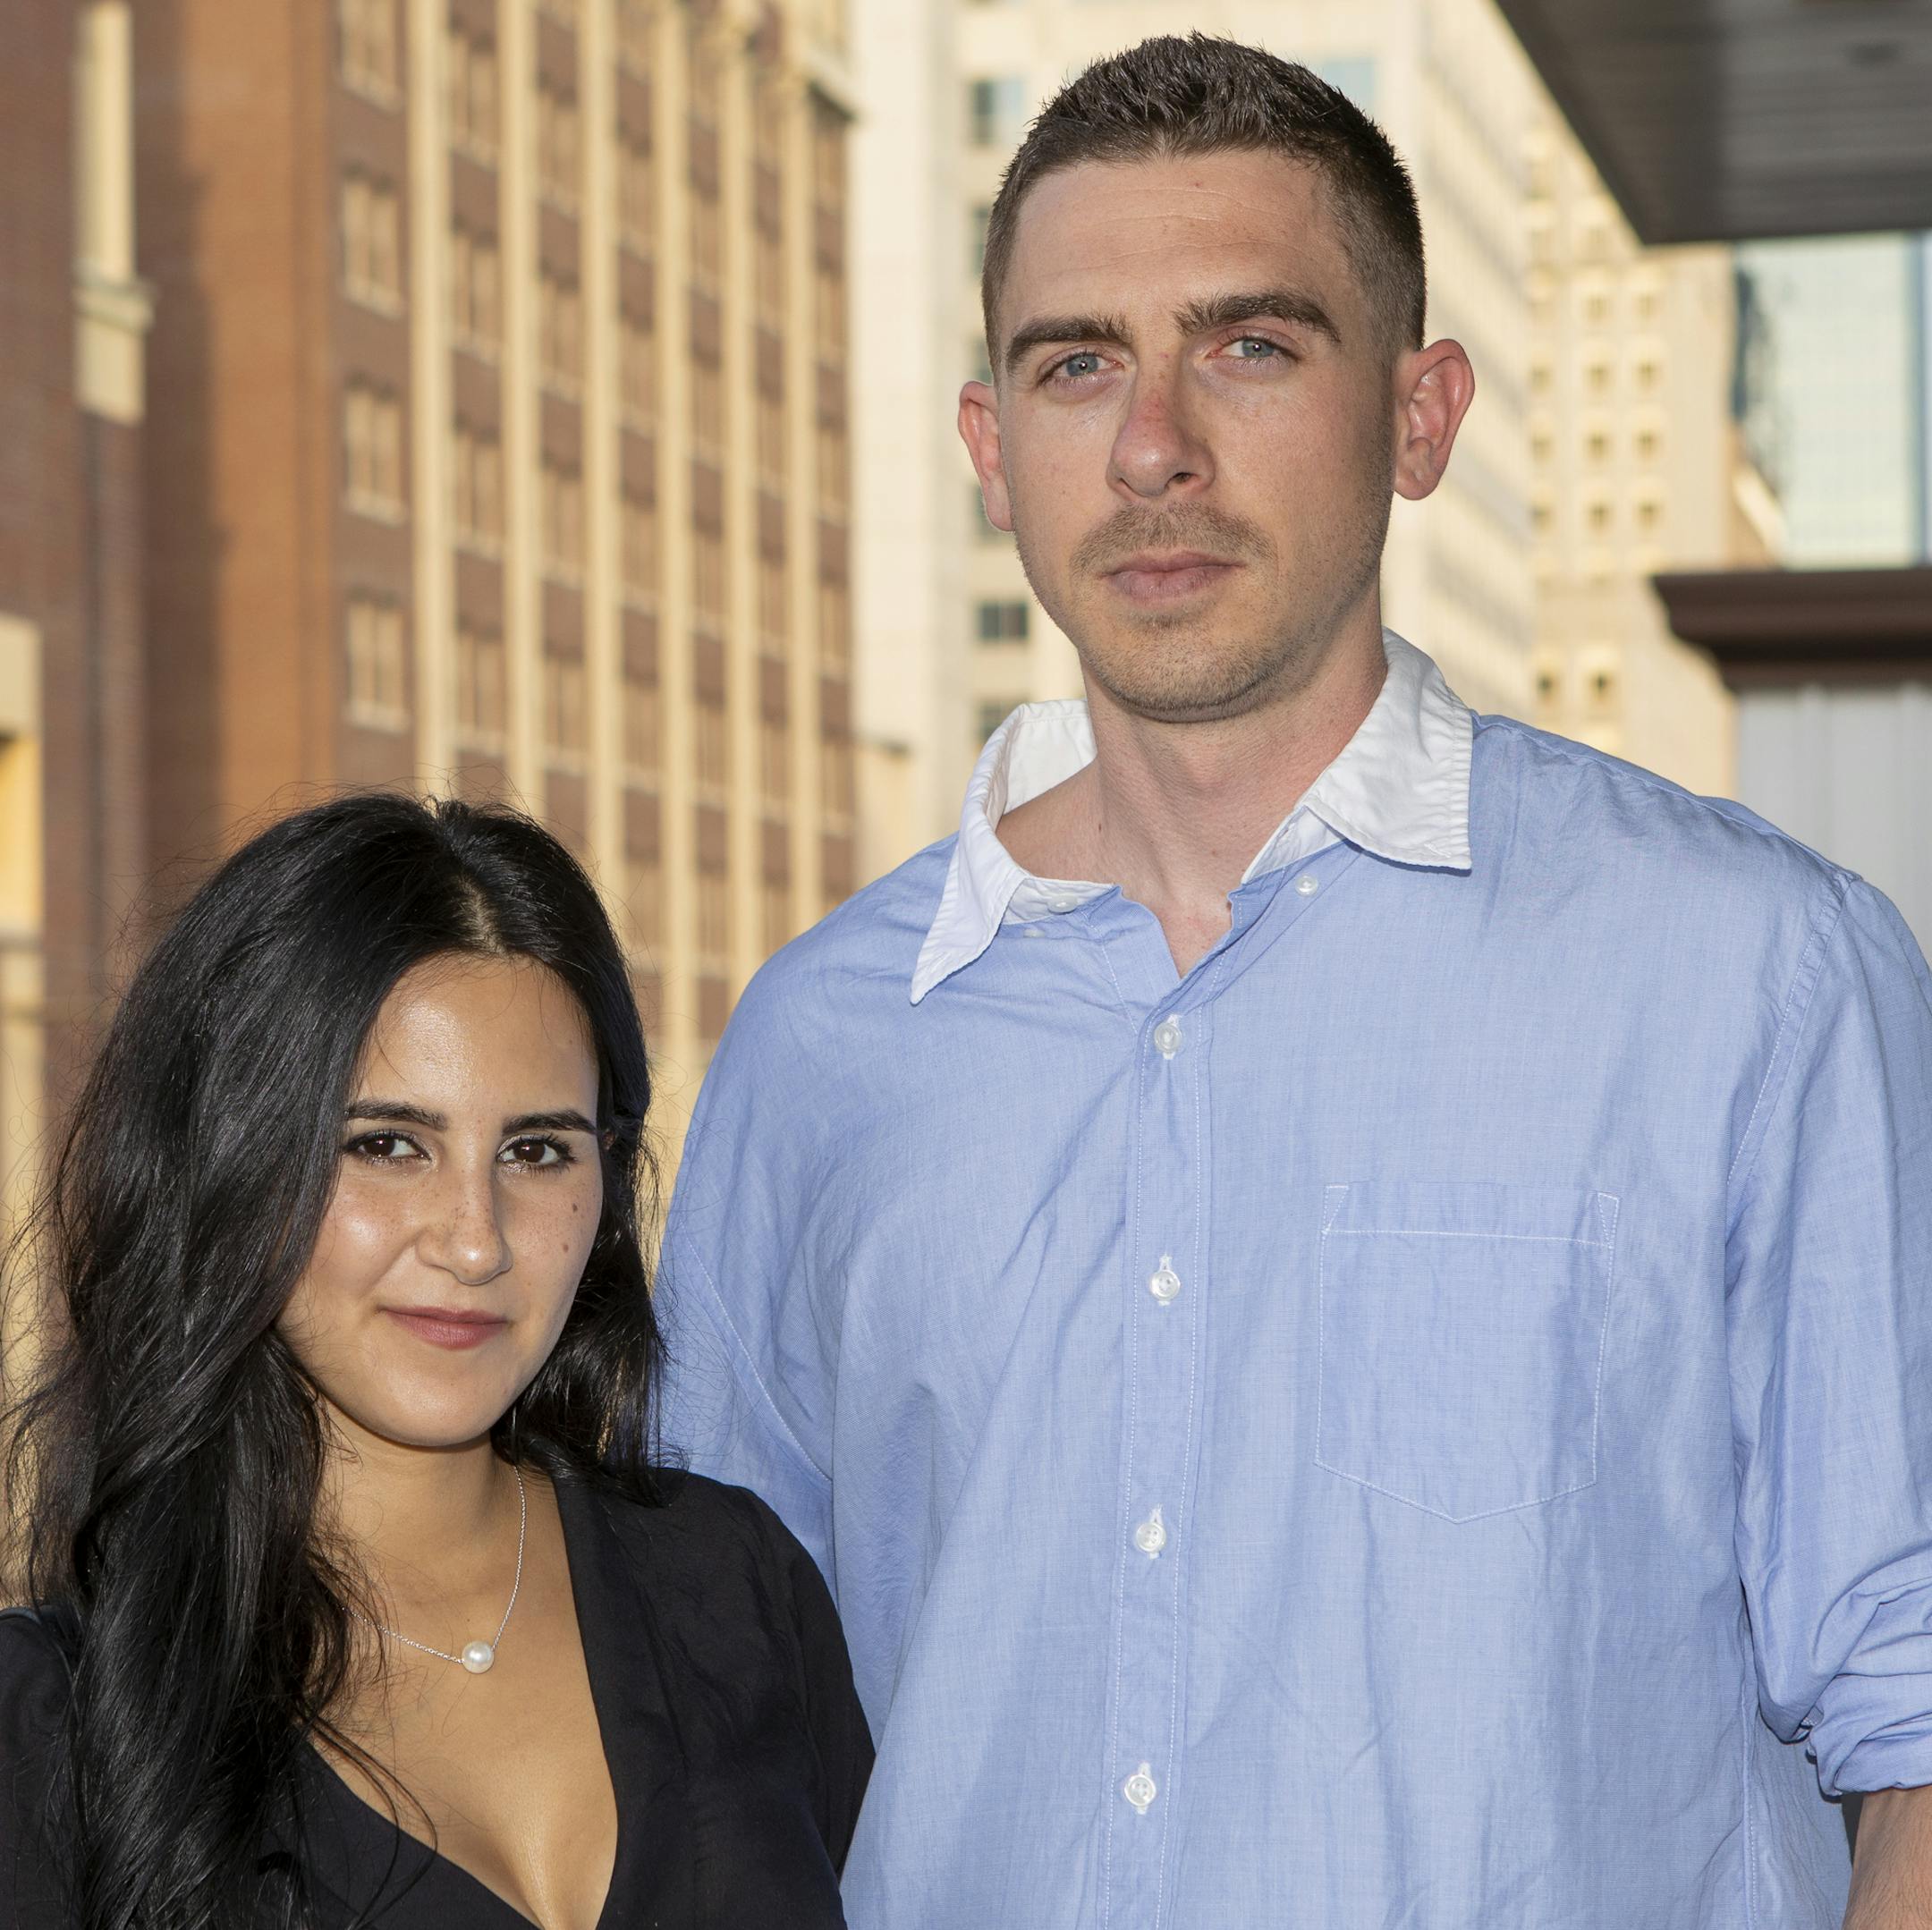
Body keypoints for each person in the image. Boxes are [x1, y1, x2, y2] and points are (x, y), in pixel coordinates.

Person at [657, 32, 1932, 1930]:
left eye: (1250, 345)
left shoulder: (1757, 975)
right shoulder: (823, 1048)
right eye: (1076, 360)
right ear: (990, 444)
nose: (1152, 443)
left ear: (1421, 419)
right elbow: (705, 1717)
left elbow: (1912, 1704)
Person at [0, 794, 870, 1929]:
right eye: (387, 1145)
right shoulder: (54, 1727)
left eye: (537, 1149)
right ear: (229, 1161)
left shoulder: (735, 1584)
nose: (476, 1239)